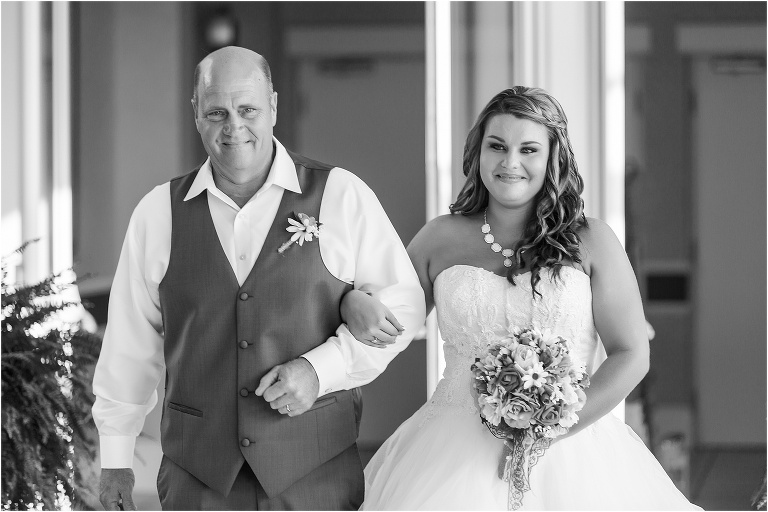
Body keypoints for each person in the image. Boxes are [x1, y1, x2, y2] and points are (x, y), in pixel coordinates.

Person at [92, 46, 425, 510]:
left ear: (273, 104)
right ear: (195, 113)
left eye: (247, 108)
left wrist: (320, 370)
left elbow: (403, 309)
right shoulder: (156, 214)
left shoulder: (340, 194)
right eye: (216, 112)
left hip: (315, 474)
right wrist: (115, 459)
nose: (233, 127)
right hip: (197, 478)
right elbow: (131, 345)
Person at [341, 86, 702, 510]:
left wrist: (548, 431)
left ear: (553, 158)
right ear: (479, 153)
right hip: (448, 451)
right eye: (497, 146)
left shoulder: (593, 240)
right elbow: (390, 318)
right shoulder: (439, 237)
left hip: (574, 452)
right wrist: (351, 301)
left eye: (528, 149)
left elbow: (631, 353)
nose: (510, 162)